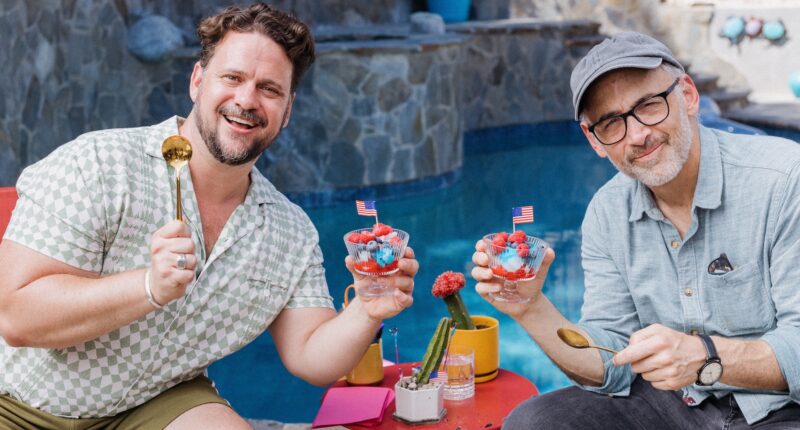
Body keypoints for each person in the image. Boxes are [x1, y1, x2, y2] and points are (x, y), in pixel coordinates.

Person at [0, 3, 417, 429]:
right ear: (198, 81)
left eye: (269, 89)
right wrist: (148, 286)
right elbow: (15, 316)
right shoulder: (99, 165)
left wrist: (368, 307)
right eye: (232, 78)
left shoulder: (288, 232)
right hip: (18, 402)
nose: (246, 99)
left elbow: (311, 355)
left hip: (156, 401)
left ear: (287, 111)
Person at [472, 31, 800, 428]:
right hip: (673, 404)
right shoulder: (607, 213)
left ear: (688, 96)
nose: (639, 134)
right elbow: (611, 361)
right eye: (612, 123)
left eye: (649, 105)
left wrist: (705, 357)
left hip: (780, 408)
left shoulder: (784, 180)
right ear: (594, 141)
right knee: (534, 422)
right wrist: (530, 308)